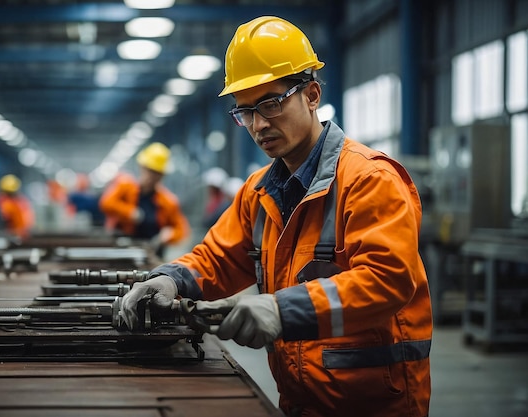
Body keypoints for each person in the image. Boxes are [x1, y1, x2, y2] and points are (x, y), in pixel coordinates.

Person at [120, 16, 432, 417]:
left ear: (312, 95)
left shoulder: (369, 178)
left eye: (271, 103)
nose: (258, 124)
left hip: (374, 401)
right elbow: (219, 259)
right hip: (299, 398)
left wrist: (281, 310)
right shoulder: (259, 190)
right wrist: (169, 279)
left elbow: (387, 281)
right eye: (245, 111)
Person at [98, 142, 190, 258]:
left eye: (157, 173)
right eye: (150, 170)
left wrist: (169, 235)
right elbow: (106, 203)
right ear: (142, 167)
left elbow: (182, 230)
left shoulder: (168, 201)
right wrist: (129, 212)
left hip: (153, 253)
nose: (152, 176)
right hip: (123, 248)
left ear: (162, 175)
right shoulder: (125, 187)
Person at [0, 174, 35, 239]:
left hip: (20, 234)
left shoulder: (21, 201)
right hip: (9, 234)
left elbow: (27, 220)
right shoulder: (3, 201)